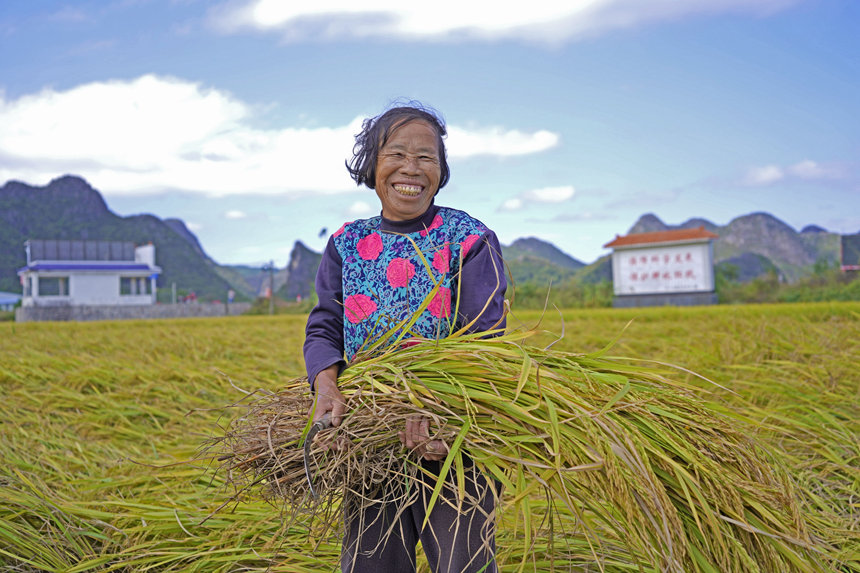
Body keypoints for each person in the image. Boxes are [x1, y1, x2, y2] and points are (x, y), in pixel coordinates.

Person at [303, 102, 507, 573]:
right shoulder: (345, 244)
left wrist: (446, 419)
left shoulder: (469, 239)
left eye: (426, 158)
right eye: (396, 153)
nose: (411, 169)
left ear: (441, 171)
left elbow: (484, 341)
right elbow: (325, 326)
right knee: (372, 564)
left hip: (455, 440)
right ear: (372, 165)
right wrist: (326, 386)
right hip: (369, 439)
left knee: (463, 564)